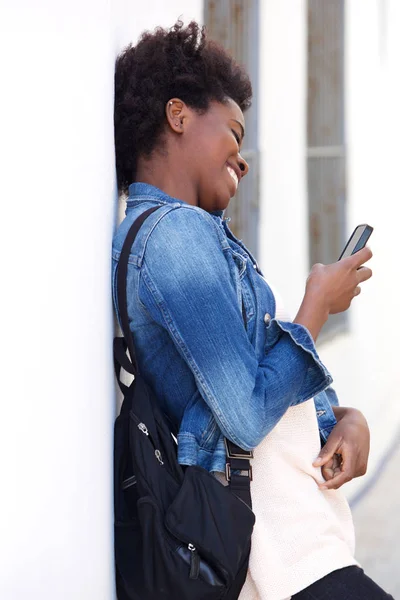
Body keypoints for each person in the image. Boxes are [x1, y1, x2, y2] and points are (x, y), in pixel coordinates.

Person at [112, 20, 392, 600]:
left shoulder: (199, 235)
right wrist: (315, 308)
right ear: (178, 115)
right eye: (233, 134)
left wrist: (342, 418)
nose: (243, 160)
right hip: (275, 554)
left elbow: (253, 380)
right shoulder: (174, 238)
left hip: (298, 543)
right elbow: (243, 414)